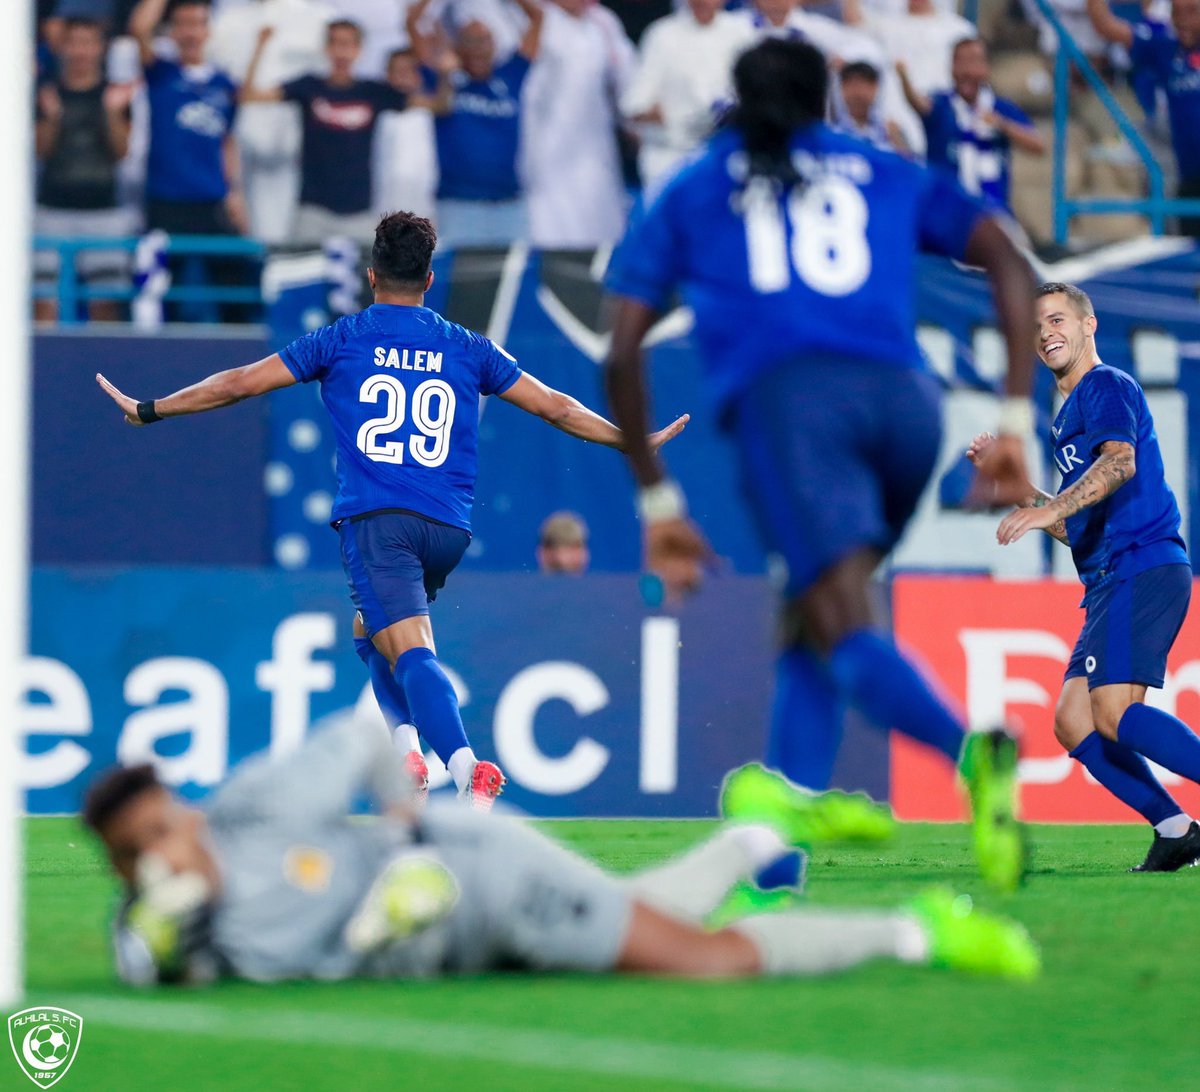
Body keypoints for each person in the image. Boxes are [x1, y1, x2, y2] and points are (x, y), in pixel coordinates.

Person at [603, 38, 1039, 893]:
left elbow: (619, 353)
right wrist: (1015, 421)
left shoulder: (693, 187)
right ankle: (774, 870)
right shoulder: (882, 167)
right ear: (827, 101)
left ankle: (971, 752)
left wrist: (658, 503)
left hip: (795, 409)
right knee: (810, 619)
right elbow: (1009, 258)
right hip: (909, 405)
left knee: (840, 626)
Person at [96, 211, 689, 809]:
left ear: (371, 275)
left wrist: (152, 408)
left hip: (381, 524)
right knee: (369, 629)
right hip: (448, 528)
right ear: (429, 279)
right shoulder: (468, 346)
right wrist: (632, 440)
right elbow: (556, 406)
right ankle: (407, 750)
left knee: (411, 648)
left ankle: (465, 767)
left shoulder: (341, 338)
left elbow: (240, 383)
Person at [81, 714, 1040, 987]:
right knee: (656, 905)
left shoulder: (255, 809)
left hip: (478, 878)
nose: (162, 857)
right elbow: (158, 964)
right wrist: (155, 943)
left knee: (700, 959)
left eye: (163, 830)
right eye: (134, 855)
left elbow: (371, 737)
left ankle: (920, 930)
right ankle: (761, 829)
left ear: (186, 814)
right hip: (451, 952)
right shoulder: (163, 935)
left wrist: (406, 842)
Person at [972, 283, 1200, 872]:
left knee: (1114, 712)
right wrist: (1023, 494)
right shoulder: (1068, 417)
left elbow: (1120, 462)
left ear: (1088, 324)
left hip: (1142, 564)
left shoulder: (1104, 385)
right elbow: (1077, 529)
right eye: (1036, 324)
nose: (1046, 332)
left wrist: (1049, 505)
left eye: (1057, 319)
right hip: (1109, 577)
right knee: (1074, 721)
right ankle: (1176, 831)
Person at [240, 21, 449, 249]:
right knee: (303, 268)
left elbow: (438, 105)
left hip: (359, 213)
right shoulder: (309, 86)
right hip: (313, 211)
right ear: (326, 48)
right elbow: (250, 95)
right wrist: (260, 47)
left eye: (348, 44)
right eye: (336, 43)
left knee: (369, 271)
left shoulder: (372, 92)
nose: (341, 52)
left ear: (359, 50)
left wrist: (445, 74)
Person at [128, 0, 248, 321]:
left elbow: (226, 141)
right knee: (164, 296)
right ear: (172, 31)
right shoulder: (161, 72)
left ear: (208, 30)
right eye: (183, 24)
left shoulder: (224, 84)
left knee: (235, 291)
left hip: (212, 201)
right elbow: (139, 28)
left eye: (197, 23)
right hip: (166, 201)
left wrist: (234, 192)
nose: (190, 32)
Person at [406, 0, 544, 250]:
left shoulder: (511, 75)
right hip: (458, 206)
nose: (478, 48)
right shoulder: (443, 80)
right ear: (457, 48)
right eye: (469, 41)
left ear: (495, 45)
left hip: (510, 206)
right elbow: (412, 22)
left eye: (483, 40)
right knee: (459, 276)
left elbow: (537, 18)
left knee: (515, 274)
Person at [34, 16, 137, 322]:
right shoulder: (45, 93)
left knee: (105, 304)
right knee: (44, 302)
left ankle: (103, 357)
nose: (81, 51)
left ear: (100, 48)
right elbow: (40, 151)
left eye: (88, 43)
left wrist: (111, 112)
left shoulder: (115, 95)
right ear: (62, 47)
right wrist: (53, 117)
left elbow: (122, 152)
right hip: (51, 209)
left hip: (103, 211)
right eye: (74, 43)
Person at [520, 0, 636, 249]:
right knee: (549, 230)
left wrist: (633, 129)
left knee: (602, 230)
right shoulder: (536, 19)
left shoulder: (604, 22)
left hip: (595, 149)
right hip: (544, 149)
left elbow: (627, 85)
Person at [1085, 0, 1200, 237]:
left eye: (1192, 12)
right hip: (1190, 177)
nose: (1183, 21)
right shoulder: (1165, 46)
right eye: (1176, 12)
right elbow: (1105, 25)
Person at [897, 39, 1046, 211]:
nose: (966, 70)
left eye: (973, 62)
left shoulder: (999, 107)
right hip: (947, 212)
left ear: (986, 68)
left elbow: (1038, 146)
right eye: (960, 62)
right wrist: (904, 78)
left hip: (991, 210)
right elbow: (919, 103)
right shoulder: (942, 104)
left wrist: (1002, 125)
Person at [620, 0, 756, 187]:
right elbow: (634, 104)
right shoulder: (662, 34)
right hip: (671, 157)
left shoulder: (741, 32)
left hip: (725, 156)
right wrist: (666, 117)